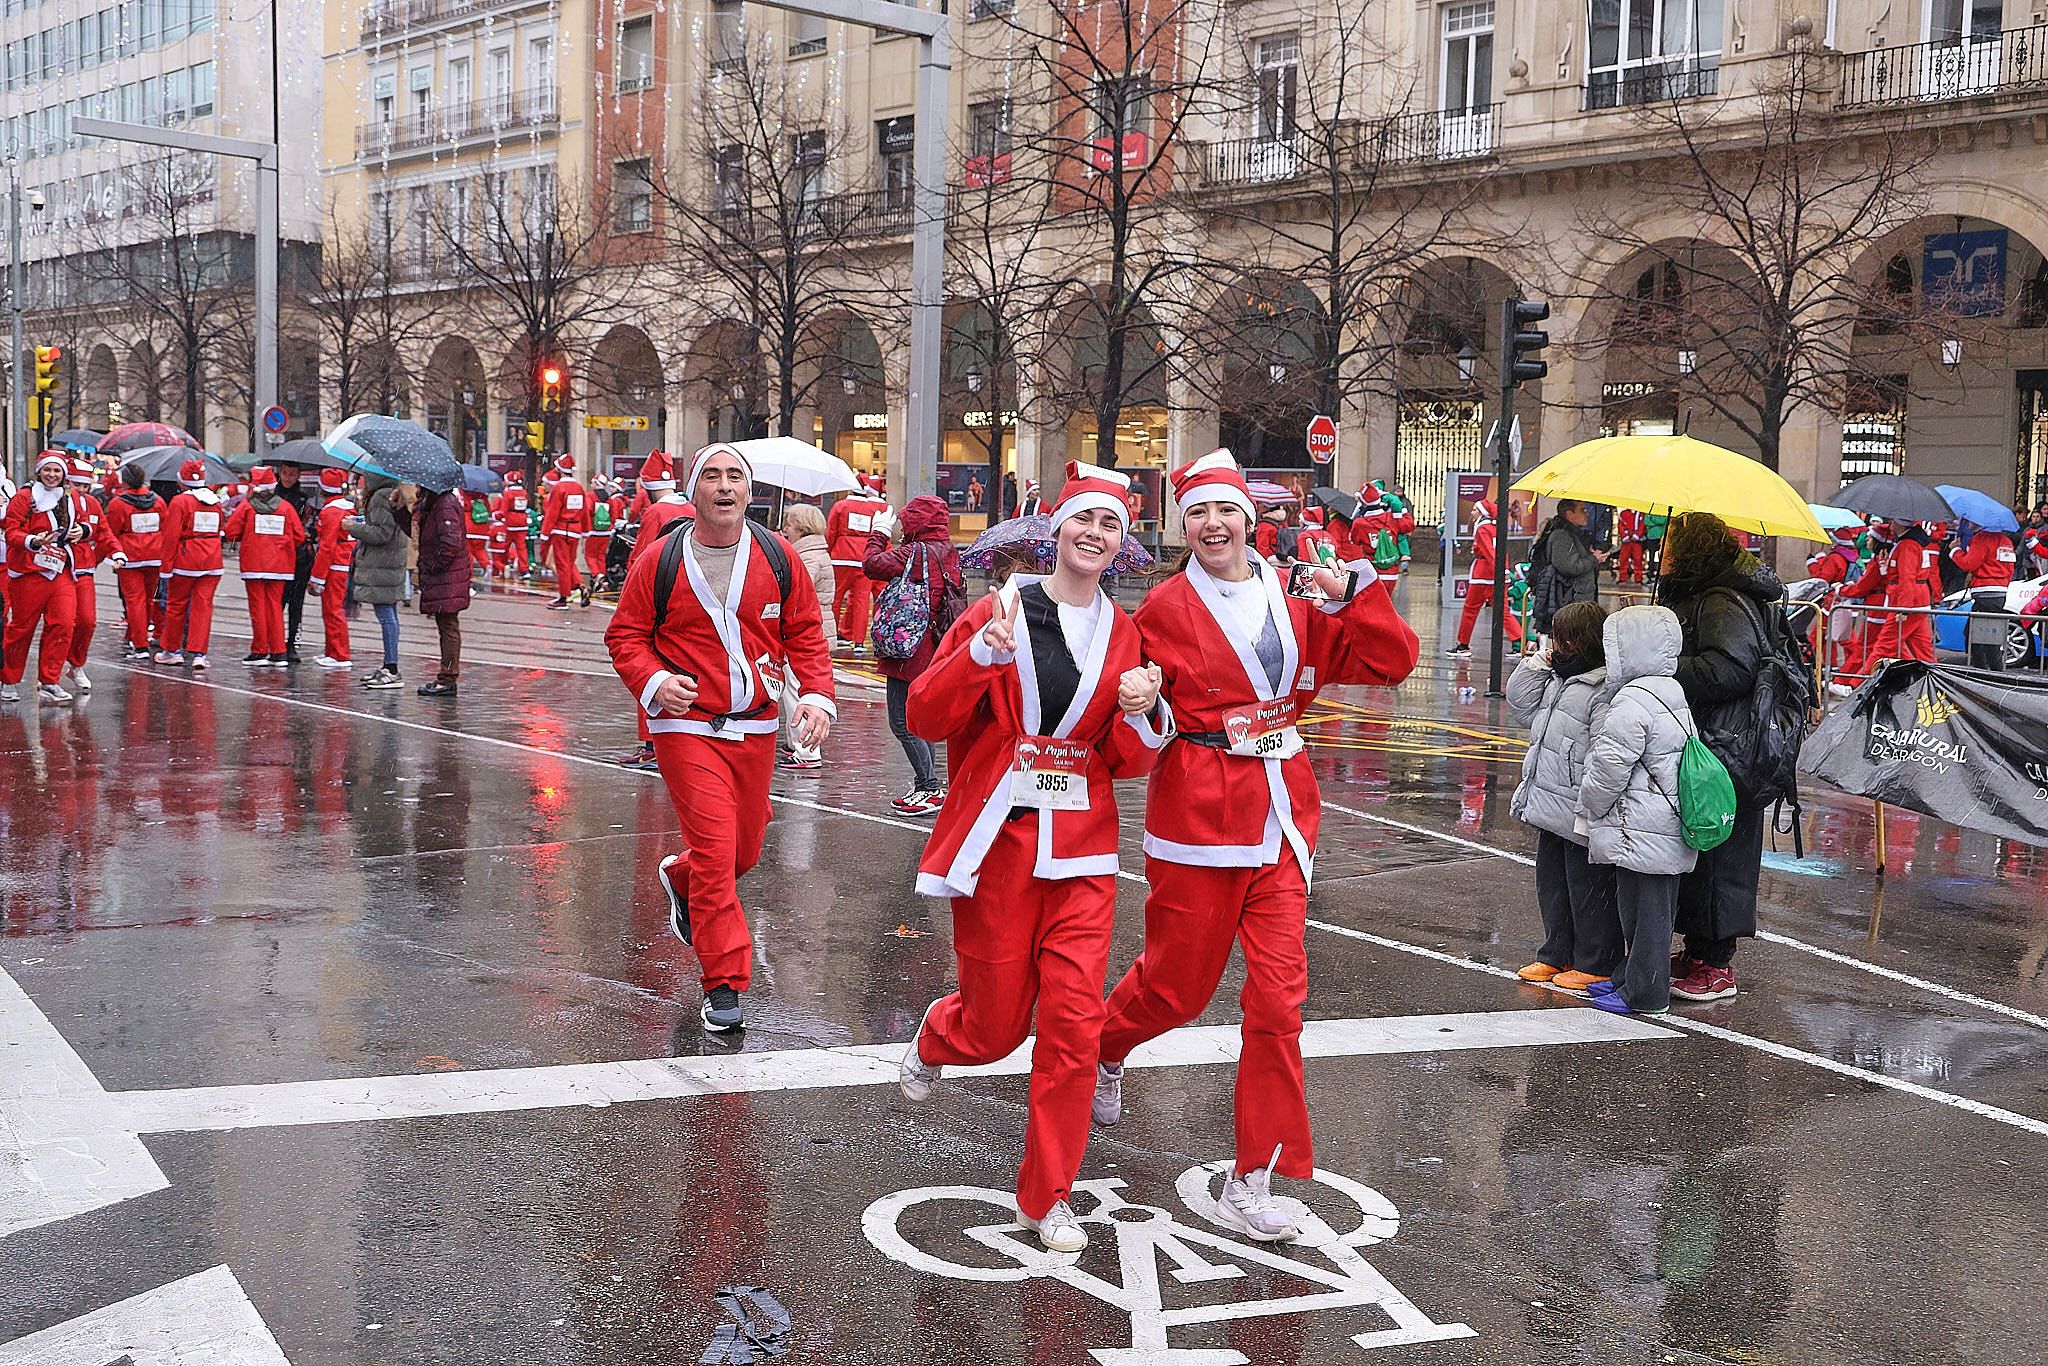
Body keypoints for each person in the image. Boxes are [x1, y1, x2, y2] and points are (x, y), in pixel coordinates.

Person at [1093, 450, 1419, 1242]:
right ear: (1184, 527)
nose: (1214, 525)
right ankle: (1102, 1047)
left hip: (1280, 816)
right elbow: (1131, 738)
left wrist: (1360, 588)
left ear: (1250, 520)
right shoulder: (1161, 609)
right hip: (1199, 821)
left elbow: (1391, 660)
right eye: (1199, 513)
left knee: (1277, 1004)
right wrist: (1143, 704)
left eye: (1226, 511)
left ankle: (1254, 1174)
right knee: (1177, 988)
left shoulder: (1296, 595)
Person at [898, 461, 1168, 1253]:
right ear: (1055, 531)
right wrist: (980, 654)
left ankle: (1047, 1196)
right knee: (996, 1027)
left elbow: (1126, 757)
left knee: (1075, 1027)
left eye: (1110, 526)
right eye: (1083, 521)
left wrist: (1147, 713)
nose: (1094, 535)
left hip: (1082, 849)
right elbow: (924, 709)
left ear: (1120, 545)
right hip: (1000, 843)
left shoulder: (1129, 636)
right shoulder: (999, 609)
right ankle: (938, 1037)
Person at [603, 441, 836, 1033]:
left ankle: (681, 879)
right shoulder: (659, 559)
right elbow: (625, 635)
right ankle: (726, 984)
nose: (725, 486)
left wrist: (815, 696)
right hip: (685, 728)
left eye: (736, 476)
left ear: (750, 491)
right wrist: (654, 680)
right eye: (712, 476)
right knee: (715, 851)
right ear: (693, 489)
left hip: (756, 728)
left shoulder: (778, 555)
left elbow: (807, 633)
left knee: (744, 852)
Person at [1656, 512, 1779, 1002]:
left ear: (1693, 550)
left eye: (1670, 544)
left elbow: (1730, 669)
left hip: (1728, 744)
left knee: (1721, 852)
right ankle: (1699, 950)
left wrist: (1665, 664)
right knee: (1702, 848)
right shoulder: (1704, 593)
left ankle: (1716, 963)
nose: (1662, 551)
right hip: (1713, 740)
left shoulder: (1722, 600)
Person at [1580, 604, 1700, 1017]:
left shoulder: (1633, 700)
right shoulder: (1670, 690)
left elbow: (1609, 766)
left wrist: (1591, 807)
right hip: (1660, 822)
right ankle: (1629, 979)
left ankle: (1646, 994)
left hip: (1642, 823)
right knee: (1641, 908)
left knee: (1646, 915)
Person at [1505, 599, 1619, 991]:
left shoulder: (1603, 685)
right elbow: (1520, 703)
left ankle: (1595, 959)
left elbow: (1606, 747)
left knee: (1587, 887)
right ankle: (1556, 952)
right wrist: (1538, 661)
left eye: (1564, 638)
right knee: (1552, 883)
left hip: (1578, 802)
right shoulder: (1557, 675)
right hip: (1549, 799)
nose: (1558, 644)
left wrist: (1592, 803)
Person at [863, 492, 963, 815]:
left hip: (907, 648)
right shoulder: (948, 551)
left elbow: (871, 565)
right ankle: (928, 785)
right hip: (934, 645)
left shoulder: (916, 551)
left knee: (901, 721)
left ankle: (929, 786)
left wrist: (878, 533)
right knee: (920, 720)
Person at [1, 452, 85, 704]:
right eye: (47, 470)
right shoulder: (24, 498)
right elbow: (11, 531)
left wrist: (82, 531)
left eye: (57, 471)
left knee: (64, 623)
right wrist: (32, 541)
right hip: (29, 570)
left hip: (59, 569)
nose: (52, 475)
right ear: (39, 471)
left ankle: (50, 681)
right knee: (22, 627)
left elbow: (82, 523)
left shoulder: (70, 498)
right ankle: (8, 679)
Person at [223, 465, 307, 668]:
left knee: (257, 607)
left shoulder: (247, 506)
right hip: (281, 565)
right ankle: (278, 652)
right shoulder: (286, 507)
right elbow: (299, 536)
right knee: (275, 607)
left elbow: (231, 530)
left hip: (254, 563)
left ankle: (260, 650)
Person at [778, 503, 838, 772]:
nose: (785, 529)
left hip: (808, 633)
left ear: (801, 527)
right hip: (818, 629)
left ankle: (806, 751)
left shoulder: (808, 556)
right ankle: (796, 745)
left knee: (798, 693)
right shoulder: (813, 551)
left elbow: (796, 587)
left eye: (789, 524)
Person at [157, 458, 227, 669]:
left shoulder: (180, 502)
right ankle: (199, 653)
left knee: (176, 605)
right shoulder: (215, 502)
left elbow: (171, 537)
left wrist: (165, 568)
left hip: (185, 561)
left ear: (182, 481)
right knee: (203, 607)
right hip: (212, 560)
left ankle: (172, 650)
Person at [345, 474, 411, 690]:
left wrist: (352, 527)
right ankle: (389, 666)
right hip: (386, 564)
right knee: (387, 613)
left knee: (386, 614)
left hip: (381, 564)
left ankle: (391, 668)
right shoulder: (388, 494)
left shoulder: (381, 496)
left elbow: (382, 533)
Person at [1843, 518, 1938, 668]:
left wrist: (1902, 608)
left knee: (1883, 646)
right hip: (1916, 602)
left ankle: (1858, 684)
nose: (1890, 524)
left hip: (1906, 603)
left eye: (1893, 520)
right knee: (1923, 652)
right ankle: (1937, 682)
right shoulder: (1910, 544)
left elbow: (1907, 578)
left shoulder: (1907, 545)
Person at [60, 458, 118, 692]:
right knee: (60, 623)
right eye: (77, 485)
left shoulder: (93, 503)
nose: (81, 491)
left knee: (87, 620)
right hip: (60, 567)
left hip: (84, 567)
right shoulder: (58, 500)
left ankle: (76, 664)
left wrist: (118, 552)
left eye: (85, 486)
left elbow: (104, 531)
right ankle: (50, 672)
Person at [414, 485, 472, 696]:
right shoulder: (434, 503)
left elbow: (450, 543)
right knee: (445, 625)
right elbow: (417, 533)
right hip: (443, 575)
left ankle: (447, 678)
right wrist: (399, 509)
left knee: (448, 625)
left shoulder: (445, 503)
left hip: (447, 575)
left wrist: (433, 566)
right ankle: (446, 676)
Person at [104, 464, 166, 660]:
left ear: (125, 481)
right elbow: (164, 525)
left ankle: (140, 645)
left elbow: (111, 531)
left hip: (130, 557)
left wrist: (111, 556)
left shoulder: (118, 504)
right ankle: (135, 636)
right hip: (155, 556)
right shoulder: (158, 501)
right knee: (147, 599)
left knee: (134, 601)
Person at [1449, 498, 1523, 658]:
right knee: (1502, 611)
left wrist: (1499, 569)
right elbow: (1501, 552)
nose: (1472, 512)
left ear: (1482, 513)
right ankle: (1521, 642)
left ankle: (1463, 645)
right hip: (1498, 575)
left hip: (1483, 575)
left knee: (1470, 609)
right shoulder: (1496, 528)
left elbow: (1490, 552)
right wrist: (1504, 570)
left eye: (1475, 509)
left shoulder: (1482, 529)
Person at [827, 475, 889, 649]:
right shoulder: (872, 510)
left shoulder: (841, 506)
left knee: (835, 599)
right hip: (863, 559)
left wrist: (829, 551)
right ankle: (859, 641)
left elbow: (831, 531)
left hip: (840, 557)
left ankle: (832, 636)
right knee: (862, 600)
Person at [1949, 517, 2018, 670]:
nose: (1968, 524)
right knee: (1979, 634)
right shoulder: (2006, 541)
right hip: (1999, 591)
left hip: (1984, 590)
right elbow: (2010, 567)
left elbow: (1969, 564)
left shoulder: (1981, 539)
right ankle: (1984, 669)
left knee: (1984, 637)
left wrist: (1955, 551)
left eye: (1970, 521)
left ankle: (1989, 672)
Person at [1531, 500, 1607, 637]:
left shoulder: (1574, 534)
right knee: (1572, 639)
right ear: (1569, 514)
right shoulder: (1561, 536)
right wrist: (1594, 559)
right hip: (1569, 600)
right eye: (1582, 510)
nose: (1587, 514)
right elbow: (1570, 567)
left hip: (1576, 599)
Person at [307, 468, 357, 669]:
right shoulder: (344, 508)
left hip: (334, 566)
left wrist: (317, 577)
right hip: (341, 564)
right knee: (331, 609)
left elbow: (326, 547)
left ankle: (340, 654)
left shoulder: (331, 512)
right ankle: (332, 651)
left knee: (333, 609)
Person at [274, 462, 321, 663]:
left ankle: (291, 642)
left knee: (296, 602)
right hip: (277, 555)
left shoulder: (304, 499)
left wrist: (306, 533)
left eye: (292, 474)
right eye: (284, 473)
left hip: (299, 556)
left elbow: (311, 526)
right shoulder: (272, 496)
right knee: (277, 602)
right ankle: (274, 641)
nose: (287, 477)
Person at [542, 454, 593, 608]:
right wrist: (586, 530)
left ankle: (564, 597)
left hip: (561, 530)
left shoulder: (559, 488)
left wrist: (545, 533)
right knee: (570, 563)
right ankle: (581, 586)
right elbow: (584, 510)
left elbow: (553, 513)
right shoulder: (578, 487)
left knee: (562, 565)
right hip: (575, 530)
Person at [494, 471, 532, 579]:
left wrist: (497, 516)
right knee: (522, 548)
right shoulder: (524, 492)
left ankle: (503, 565)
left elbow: (503, 509)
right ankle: (524, 570)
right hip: (522, 522)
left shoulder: (508, 492)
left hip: (511, 522)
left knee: (504, 546)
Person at [584, 474, 617, 584]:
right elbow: (613, 515)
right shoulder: (609, 498)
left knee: (590, 555)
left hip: (593, 531)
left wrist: (586, 529)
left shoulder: (590, 496)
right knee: (601, 556)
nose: (591, 484)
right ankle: (602, 578)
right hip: (606, 532)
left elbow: (587, 512)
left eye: (592, 482)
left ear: (596, 483)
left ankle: (596, 574)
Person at [462, 480, 494, 572]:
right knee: (480, 550)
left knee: (468, 553)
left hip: (469, 528)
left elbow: (463, 507)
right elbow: (488, 509)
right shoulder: (483, 496)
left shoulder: (465, 494)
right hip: (482, 530)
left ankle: (469, 573)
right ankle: (487, 566)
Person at [1614, 508, 1647, 584]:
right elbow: (1621, 525)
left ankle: (1638, 577)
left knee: (1638, 559)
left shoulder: (1641, 514)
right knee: (1623, 558)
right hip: (1627, 540)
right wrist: (1624, 535)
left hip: (1636, 541)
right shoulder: (1623, 513)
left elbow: (1642, 525)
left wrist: (1637, 535)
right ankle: (1623, 576)